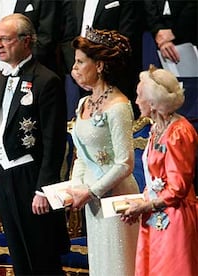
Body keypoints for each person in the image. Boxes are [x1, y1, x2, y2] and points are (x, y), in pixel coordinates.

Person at [0, 13, 70, 275]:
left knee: (42, 256)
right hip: (5, 177)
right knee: (19, 256)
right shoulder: (1, 79)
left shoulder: (47, 81)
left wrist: (43, 190)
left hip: (31, 178)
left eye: (5, 39)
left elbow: (53, 142)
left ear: (26, 41)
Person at [66, 28, 140, 276]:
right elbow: (82, 155)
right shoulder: (83, 103)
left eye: (80, 62)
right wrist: (75, 187)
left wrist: (90, 191)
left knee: (118, 265)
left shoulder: (119, 106)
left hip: (116, 199)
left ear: (99, 66)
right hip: (92, 200)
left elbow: (125, 163)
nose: (74, 68)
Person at [121, 66, 198, 275]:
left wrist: (145, 206)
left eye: (139, 96)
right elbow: (156, 179)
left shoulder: (179, 132)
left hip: (175, 218)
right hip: (155, 214)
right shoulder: (156, 128)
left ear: (153, 103)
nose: (135, 101)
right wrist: (140, 204)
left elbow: (178, 188)